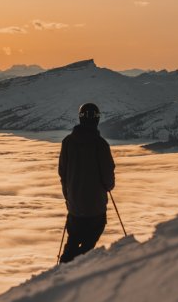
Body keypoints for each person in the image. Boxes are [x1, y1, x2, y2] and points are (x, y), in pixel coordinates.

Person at [58, 103, 115, 263]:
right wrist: (107, 186)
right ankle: (78, 269)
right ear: (97, 119)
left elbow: (63, 173)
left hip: (75, 206)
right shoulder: (101, 145)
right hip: (96, 207)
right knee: (89, 244)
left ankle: (62, 270)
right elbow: (108, 178)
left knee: (73, 241)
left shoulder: (67, 142)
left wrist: (68, 196)